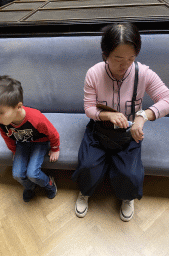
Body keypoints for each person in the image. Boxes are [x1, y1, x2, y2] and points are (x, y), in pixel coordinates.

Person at [72, 22, 169, 221]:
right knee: (88, 167)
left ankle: (127, 197)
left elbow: (167, 99)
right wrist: (108, 115)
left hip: (129, 132)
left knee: (130, 175)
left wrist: (143, 116)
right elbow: (89, 108)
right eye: (117, 58)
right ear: (105, 53)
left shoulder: (143, 73)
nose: (124, 65)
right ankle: (85, 192)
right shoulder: (94, 73)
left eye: (131, 58)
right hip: (99, 130)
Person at [0, 75, 60, 202]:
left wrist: (55, 148)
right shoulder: (1, 122)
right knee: (17, 174)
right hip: (22, 144)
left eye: (1, 112)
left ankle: (49, 183)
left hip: (39, 143)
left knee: (33, 173)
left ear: (19, 107)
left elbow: (52, 133)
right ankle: (30, 187)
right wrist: (14, 151)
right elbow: (7, 137)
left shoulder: (35, 118)